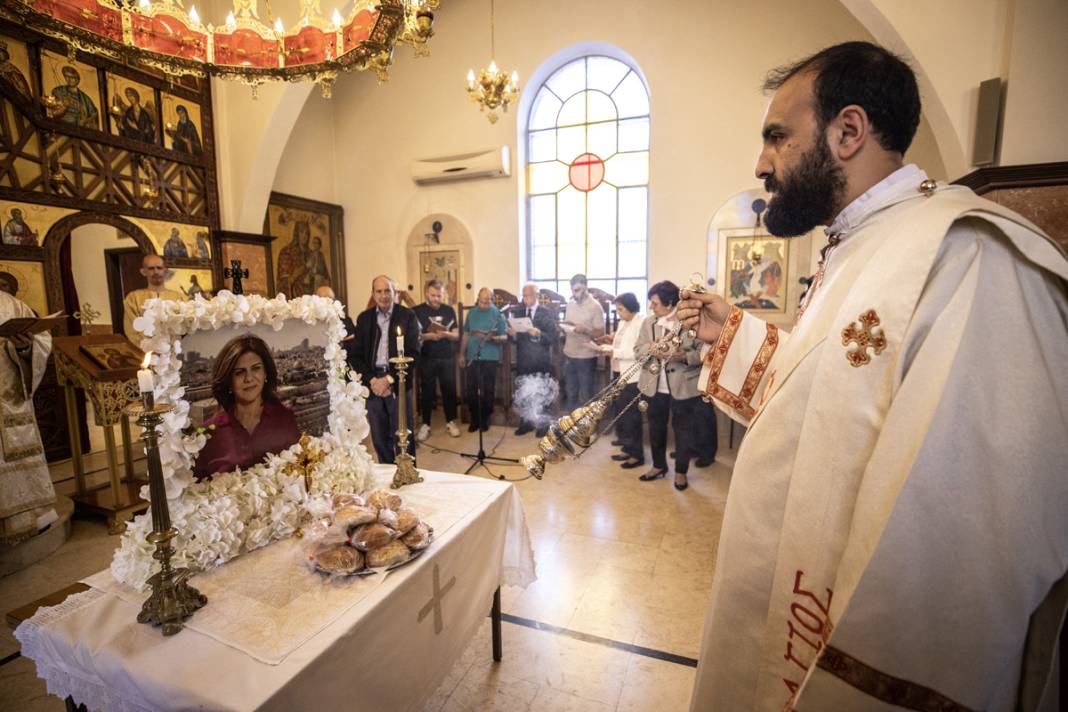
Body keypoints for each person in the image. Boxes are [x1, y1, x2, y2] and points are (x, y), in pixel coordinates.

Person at [676, 42, 1068, 711]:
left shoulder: (967, 256)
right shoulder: (861, 243)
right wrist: (736, 333)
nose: (761, 164)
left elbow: (965, 542)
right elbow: (833, 393)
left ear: (848, 131)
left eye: (776, 136)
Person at [193, 334, 300, 480]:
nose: (249, 378)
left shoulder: (285, 419)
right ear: (229, 381)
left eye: (255, 369)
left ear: (265, 373)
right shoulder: (207, 434)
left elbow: (299, 472)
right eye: (239, 372)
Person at [0, 290, 57, 544]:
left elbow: (40, 340)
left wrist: (24, 346)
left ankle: (27, 518)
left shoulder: (10, 304)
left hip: (8, 398)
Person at [634, 281, 703, 491]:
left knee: (683, 431)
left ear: (670, 302)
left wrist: (684, 357)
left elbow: (706, 352)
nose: (652, 308)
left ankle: (681, 472)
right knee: (655, 429)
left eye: (655, 303)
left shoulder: (691, 322)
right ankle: (658, 466)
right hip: (653, 386)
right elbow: (637, 350)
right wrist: (651, 349)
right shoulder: (649, 323)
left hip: (683, 387)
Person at [348, 275, 421, 464]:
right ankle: (388, 481)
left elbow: (414, 353)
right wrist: (373, 381)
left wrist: (389, 380)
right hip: (373, 385)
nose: (383, 295)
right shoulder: (364, 319)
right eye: (379, 291)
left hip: (399, 382)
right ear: (373, 294)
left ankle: (409, 476)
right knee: (380, 439)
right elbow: (355, 356)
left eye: (387, 290)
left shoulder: (407, 316)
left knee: (404, 438)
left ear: (395, 293)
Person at [507, 282, 558, 437]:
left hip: (540, 359)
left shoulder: (546, 313)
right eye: (524, 295)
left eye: (528, 295)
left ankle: (543, 426)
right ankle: (526, 423)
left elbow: (552, 337)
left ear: (536, 295)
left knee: (542, 392)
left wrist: (538, 334)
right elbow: (515, 340)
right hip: (524, 358)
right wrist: (512, 334)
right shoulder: (519, 312)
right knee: (525, 392)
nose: (526, 298)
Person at [598, 292, 643, 468]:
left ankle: (636, 455)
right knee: (622, 414)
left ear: (631, 307)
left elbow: (639, 352)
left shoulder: (640, 323)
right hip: (617, 372)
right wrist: (610, 344)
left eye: (621, 309)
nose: (618, 313)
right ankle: (627, 448)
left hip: (631, 375)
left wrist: (613, 352)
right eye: (617, 309)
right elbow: (621, 344)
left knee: (632, 416)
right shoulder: (623, 322)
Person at [413, 280, 460, 441]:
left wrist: (445, 334)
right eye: (433, 295)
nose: (436, 299)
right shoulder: (417, 311)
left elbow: (457, 334)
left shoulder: (449, 310)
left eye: (439, 296)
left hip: (447, 356)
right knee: (426, 392)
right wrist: (429, 336)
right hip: (427, 357)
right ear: (426, 293)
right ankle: (425, 424)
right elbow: (414, 336)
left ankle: (451, 421)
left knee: (449, 390)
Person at [460, 287, 507, 432]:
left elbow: (505, 336)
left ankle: (485, 418)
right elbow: (466, 334)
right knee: (471, 389)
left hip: (490, 356)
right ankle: (475, 419)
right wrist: (461, 354)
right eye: (481, 301)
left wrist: (492, 337)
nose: (484, 305)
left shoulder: (498, 314)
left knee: (488, 389)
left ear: (492, 300)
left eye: (487, 302)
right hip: (473, 355)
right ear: (478, 299)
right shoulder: (472, 313)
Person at [561, 273, 605, 411]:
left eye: (577, 290)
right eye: (572, 290)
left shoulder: (595, 306)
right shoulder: (570, 303)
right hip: (569, 353)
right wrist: (564, 325)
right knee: (570, 392)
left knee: (586, 395)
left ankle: (587, 429)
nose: (574, 294)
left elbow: (600, 333)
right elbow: (570, 324)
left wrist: (585, 330)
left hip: (586, 356)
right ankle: (571, 427)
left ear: (586, 288)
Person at [122, 253, 187, 341]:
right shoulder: (133, 298)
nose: (156, 272)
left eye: (159, 268)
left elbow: (186, 327)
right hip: (146, 350)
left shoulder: (180, 297)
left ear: (165, 270)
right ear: (143, 271)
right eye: (151, 268)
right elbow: (132, 329)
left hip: (175, 349)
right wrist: (152, 347)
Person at [51, 65, 99, 129]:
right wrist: (64, 106)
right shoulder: (58, 91)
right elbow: (53, 111)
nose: (69, 79)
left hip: (80, 129)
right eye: (66, 76)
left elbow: (94, 114)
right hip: (62, 127)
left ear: (77, 79)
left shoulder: (85, 99)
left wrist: (85, 121)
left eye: (72, 77)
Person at [275, 220, 310, 299]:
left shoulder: (311, 253)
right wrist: (296, 274)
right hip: (294, 298)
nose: (304, 236)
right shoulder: (287, 251)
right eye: (301, 232)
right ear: (296, 233)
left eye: (307, 233)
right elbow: (283, 282)